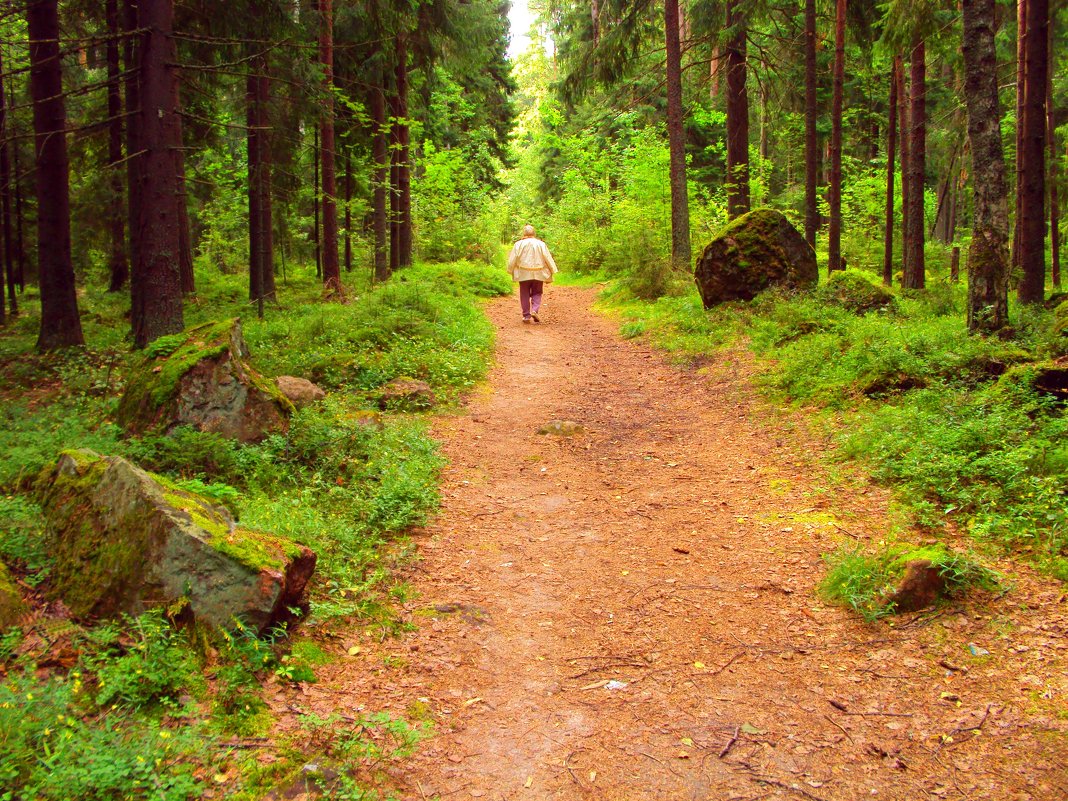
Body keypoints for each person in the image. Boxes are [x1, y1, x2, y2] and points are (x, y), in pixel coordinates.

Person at [507, 225, 558, 323]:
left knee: (524, 293)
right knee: (537, 292)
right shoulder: (541, 244)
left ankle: (526, 316)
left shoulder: (518, 244)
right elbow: (547, 257)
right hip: (538, 273)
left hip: (523, 273)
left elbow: (513, 259)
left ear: (524, 233)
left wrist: (510, 270)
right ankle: (534, 310)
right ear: (534, 233)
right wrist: (552, 270)